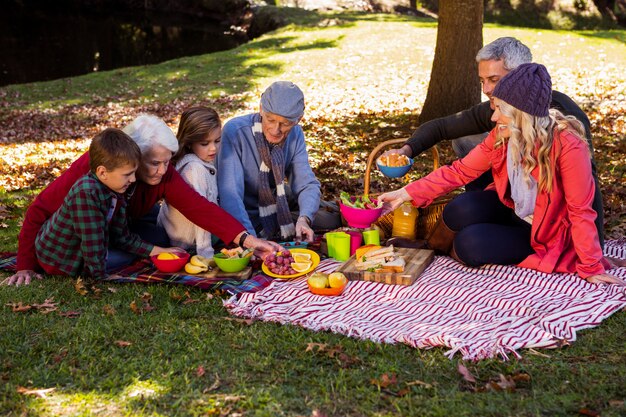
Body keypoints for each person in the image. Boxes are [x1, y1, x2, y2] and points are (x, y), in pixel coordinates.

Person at [379, 63, 624, 286]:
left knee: (470, 245)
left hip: (544, 232)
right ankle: (430, 246)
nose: (494, 117)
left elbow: (580, 209)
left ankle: (457, 247)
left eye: (500, 110)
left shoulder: (569, 146)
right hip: (513, 208)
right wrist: (405, 193)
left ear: (522, 115)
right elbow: (460, 171)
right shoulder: (502, 134)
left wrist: (591, 264)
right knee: (460, 207)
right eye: (494, 109)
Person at [4, 114, 282, 286]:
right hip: (83, 231)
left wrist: (246, 240)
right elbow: (39, 209)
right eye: (155, 163)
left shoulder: (164, 172)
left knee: (163, 242)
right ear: (133, 157)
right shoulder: (94, 170)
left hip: (123, 225)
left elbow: (200, 208)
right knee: (124, 254)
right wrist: (25, 264)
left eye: (167, 162)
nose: (164, 170)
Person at [385, 37, 604, 247]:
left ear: (519, 77)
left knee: (472, 243)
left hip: (548, 218)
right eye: (482, 81)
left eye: (494, 80)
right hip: (510, 197)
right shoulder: (496, 110)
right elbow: (443, 131)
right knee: (463, 148)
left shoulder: (563, 121)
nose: (486, 90)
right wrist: (405, 151)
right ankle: (481, 221)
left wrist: (595, 251)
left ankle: (494, 232)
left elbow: (585, 191)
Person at [35, 128, 180, 280]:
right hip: (62, 260)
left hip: (91, 245)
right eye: (127, 174)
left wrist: (158, 251)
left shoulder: (115, 188)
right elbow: (92, 244)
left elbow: (122, 237)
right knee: (127, 256)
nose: (133, 180)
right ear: (103, 172)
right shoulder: (86, 193)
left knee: (153, 241)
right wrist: (100, 276)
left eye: (133, 173)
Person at [217, 81, 341, 243]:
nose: (276, 130)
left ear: (298, 119)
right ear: (261, 108)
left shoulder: (295, 134)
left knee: (335, 218)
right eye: (270, 119)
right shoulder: (235, 132)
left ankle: (295, 221)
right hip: (245, 215)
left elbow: (306, 183)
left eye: (285, 123)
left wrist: (305, 219)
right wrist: (250, 240)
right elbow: (230, 195)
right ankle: (269, 230)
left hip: (276, 201)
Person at [157, 106, 222, 258]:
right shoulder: (195, 169)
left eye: (217, 141)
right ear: (189, 142)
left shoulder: (198, 160)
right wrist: (205, 253)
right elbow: (201, 216)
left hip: (173, 231)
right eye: (205, 144)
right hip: (186, 241)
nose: (213, 148)